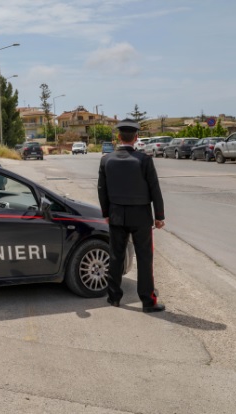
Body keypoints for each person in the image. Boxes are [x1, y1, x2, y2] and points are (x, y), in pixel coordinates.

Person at [97, 119, 166, 313]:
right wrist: (159, 216)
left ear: (118, 137)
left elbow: (102, 189)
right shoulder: (144, 160)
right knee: (145, 259)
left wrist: (106, 213)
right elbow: (155, 189)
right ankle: (147, 301)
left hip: (117, 215)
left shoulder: (106, 160)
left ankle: (114, 298)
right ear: (136, 138)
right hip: (141, 216)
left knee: (116, 256)